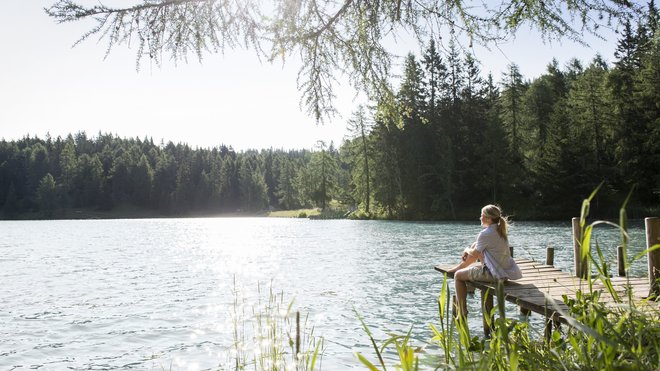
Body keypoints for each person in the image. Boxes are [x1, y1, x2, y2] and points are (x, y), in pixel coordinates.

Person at [446, 204, 522, 318]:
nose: (480, 218)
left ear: (488, 218)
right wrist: (470, 249)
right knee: (475, 245)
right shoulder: (500, 230)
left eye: (482, 215)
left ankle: (462, 312)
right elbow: (478, 248)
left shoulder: (485, 233)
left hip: (494, 275)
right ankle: (461, 266)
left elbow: (475, 253)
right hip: (503, 271)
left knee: (458, 276)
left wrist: (466, 249)